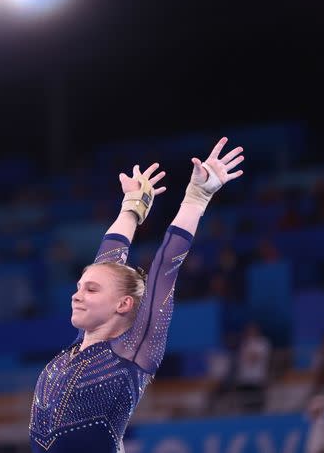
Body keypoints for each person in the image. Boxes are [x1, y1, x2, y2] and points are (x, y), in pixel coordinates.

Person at [29, 137, 245, 453]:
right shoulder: (75, 350)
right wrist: (132, 207)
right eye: (78, 287)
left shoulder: (133, 352)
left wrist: (196, 197)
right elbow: (106, 264)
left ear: (124, 304)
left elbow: (163, 270)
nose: (77, 295)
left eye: (90, 290)